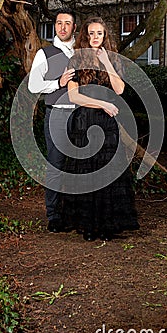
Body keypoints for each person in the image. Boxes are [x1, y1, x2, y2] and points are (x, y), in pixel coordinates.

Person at [61, 17, 139, 241]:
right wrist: (103, 104)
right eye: (92, 33)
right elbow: (73, 95)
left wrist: (106, 62)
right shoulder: (76, 60)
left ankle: (106, 224)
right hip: (85, 121)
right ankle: (88, 225)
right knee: (86, 171)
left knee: (108, 172)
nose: (95, 37)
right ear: (85, 35)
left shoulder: (112, 60)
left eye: (100, 33)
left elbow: (120, 89)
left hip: (108, 124)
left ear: (106, 37)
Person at [28, 8, 76, 233]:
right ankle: (54, 215)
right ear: (55, 26)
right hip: (57, 114)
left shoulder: (83, 51)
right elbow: (33, 85)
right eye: (59, 23)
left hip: (81, 116)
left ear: (74, 26)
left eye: (67, 23)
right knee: (56, 165)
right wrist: (58, 83)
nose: (63, 27)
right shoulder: (44, 54)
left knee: (78, 165)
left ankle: (75, 212)